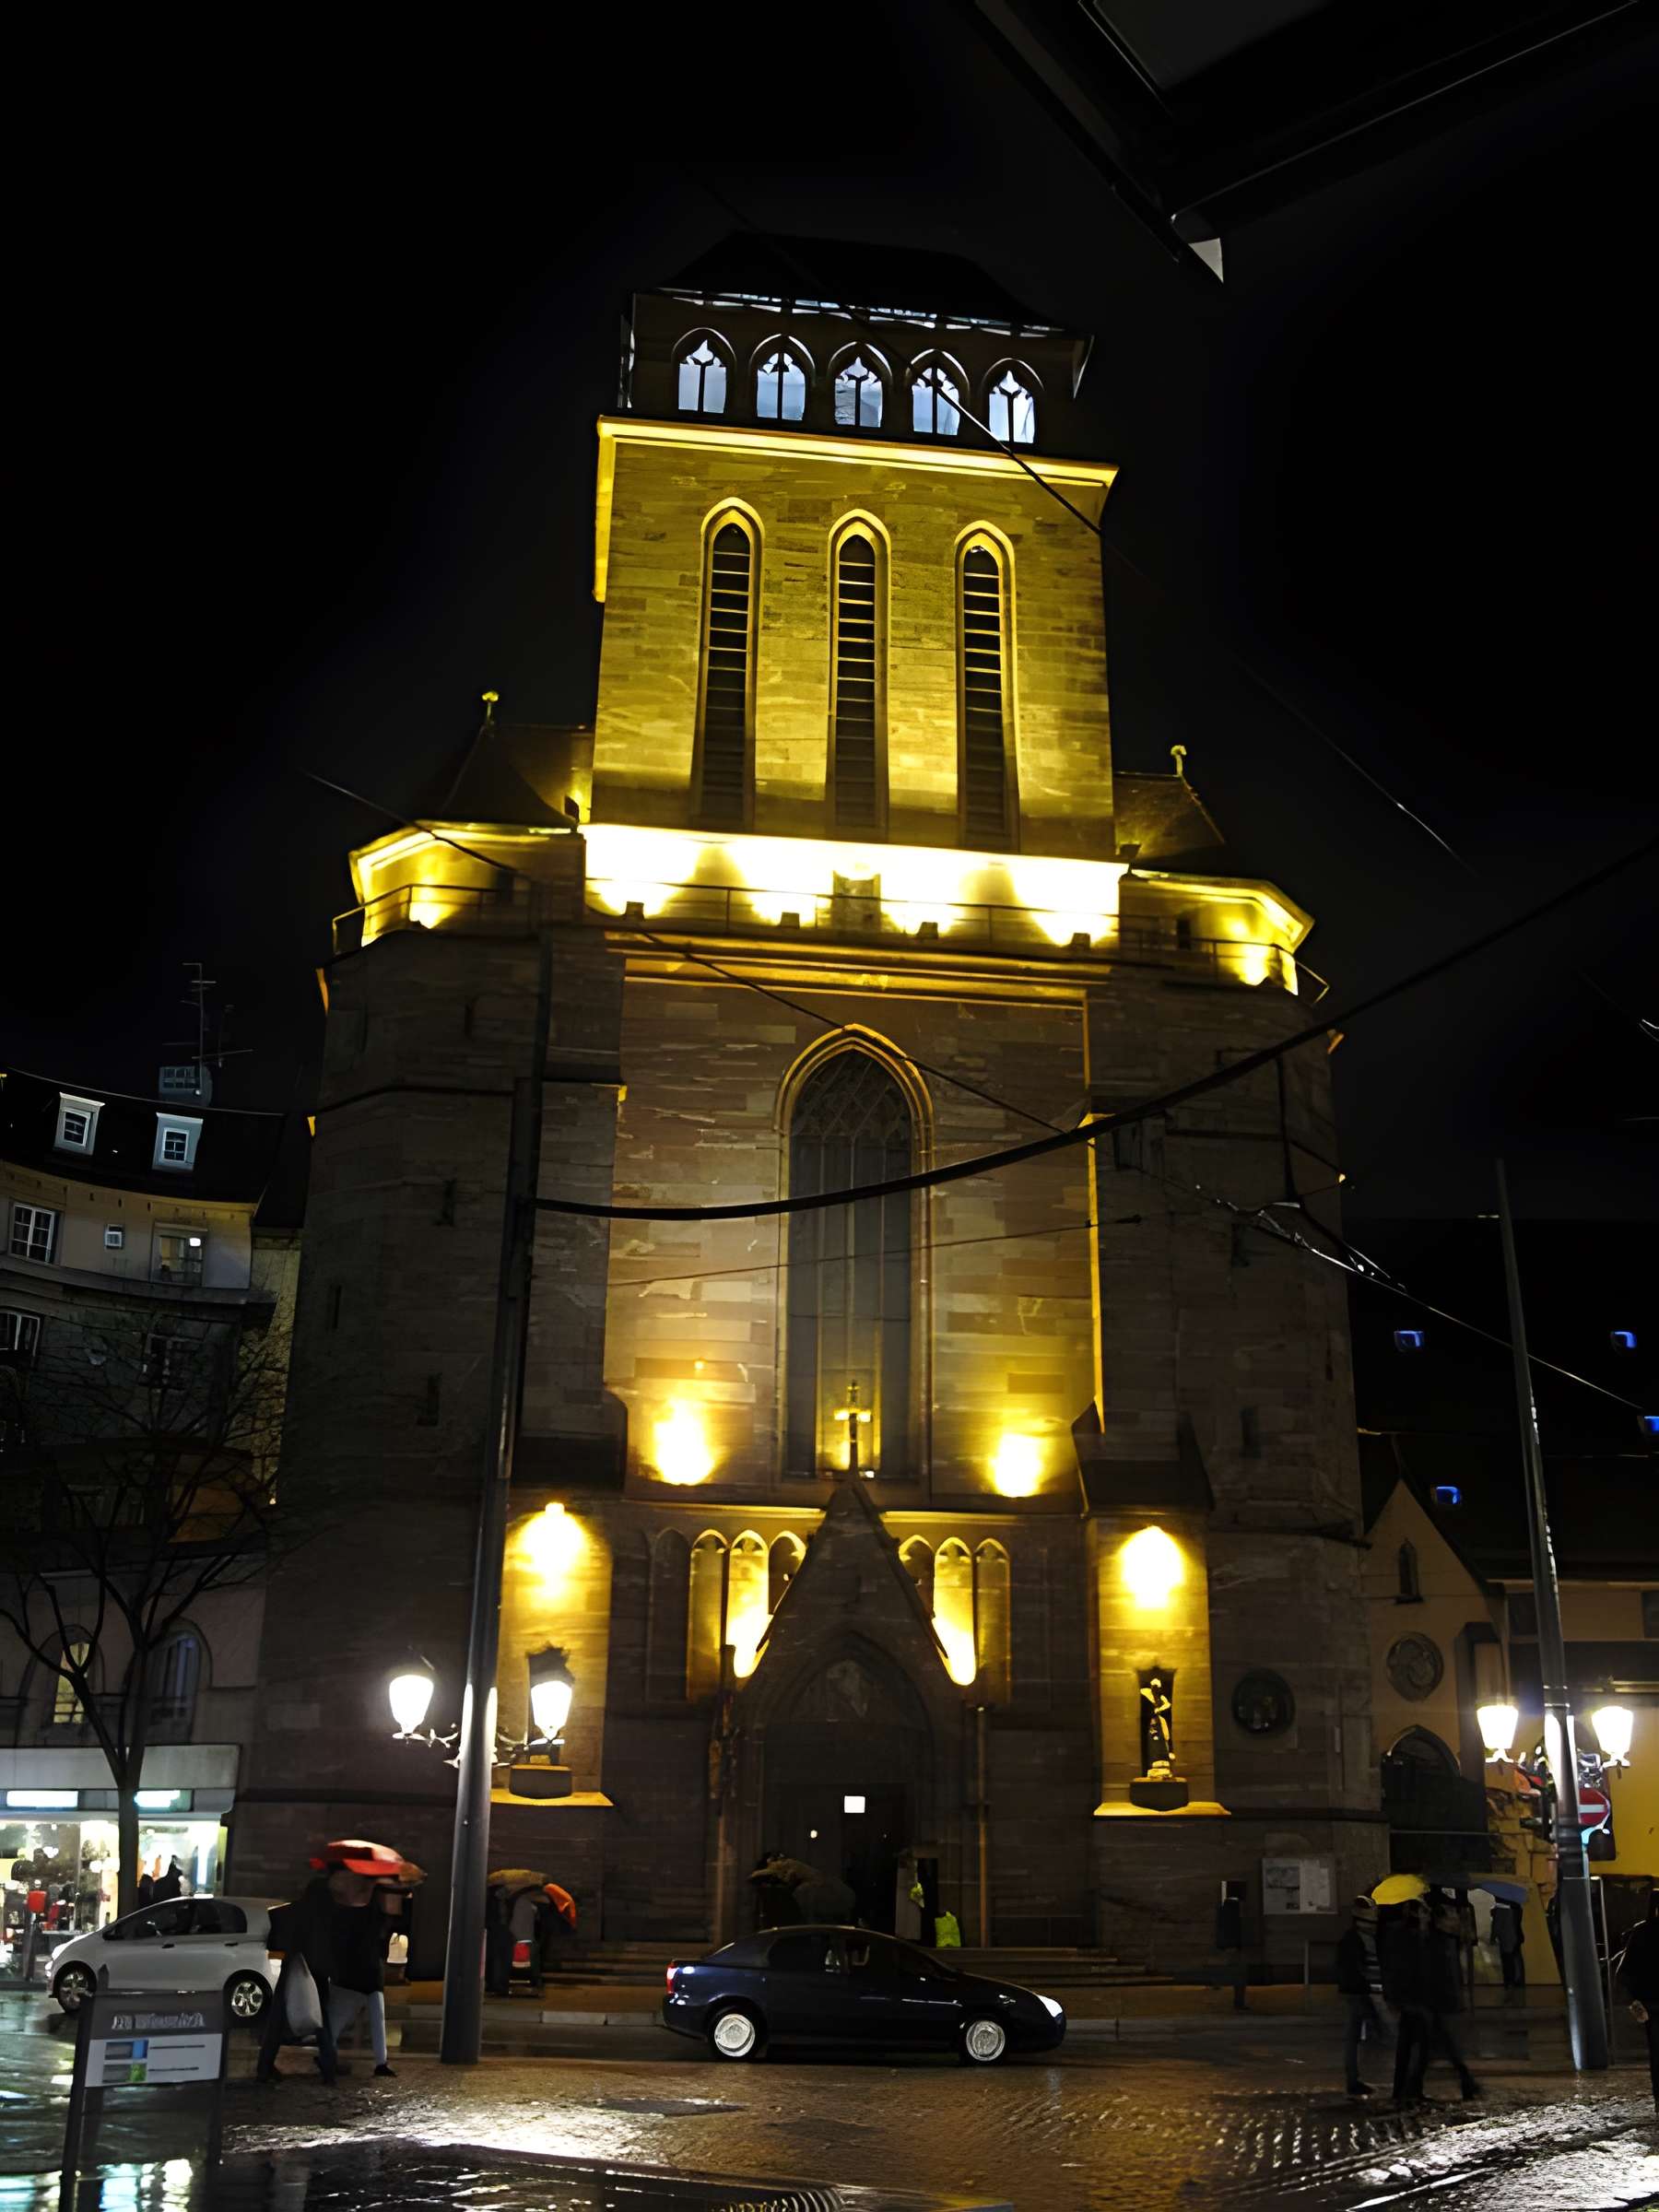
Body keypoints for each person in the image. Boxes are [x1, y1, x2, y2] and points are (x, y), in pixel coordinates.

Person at [256, 1858, 373, 2085]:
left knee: (276, 2021)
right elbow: (335, 1946)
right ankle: (328, 2070)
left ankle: (265, 2067)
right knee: (322, 2023)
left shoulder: (289, 1912)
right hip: (317, 1973)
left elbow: (273, 1939)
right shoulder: (329, 1917)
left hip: (289, 1970)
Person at [328, 1885, 397, 2078]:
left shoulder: (352, 1914)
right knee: (377, 2020)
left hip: (354, 1975)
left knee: (337, 2019)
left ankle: (327, 2052)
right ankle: (381, 2062)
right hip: (370, 1975)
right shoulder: (379, 1919)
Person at [1614, 1886, 1659, 2113]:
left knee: (1657, 2052)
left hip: (1651, 2003)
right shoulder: (1641, 1932)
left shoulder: (1641, 1933)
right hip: (1653, 2003)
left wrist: (1635, 1998)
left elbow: (1623, 1973)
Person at [1335, 1898, 1383, 2097]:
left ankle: (1356, 2078)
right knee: (1356, 2037)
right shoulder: (1353, 1940)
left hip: (1360, 1991)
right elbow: (1356, 1968)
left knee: (1358, 2036)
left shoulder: (1361, 1939)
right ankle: (1353, 2079)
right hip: (1356, 1992)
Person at [484, 1881, 513, 1998]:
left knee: (503, 1960)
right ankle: (497, 1985)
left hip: (503, 1932)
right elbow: (489, 1920)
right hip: (496, 1933)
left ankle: (501, 1984)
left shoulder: (506, 1902)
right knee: (497, 1960)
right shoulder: (492, 1903)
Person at [1492, 1899, 1524, 1999]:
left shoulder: (1501, 1911)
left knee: (1507, 1961)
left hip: (1507, 1939)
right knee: (1516, 1958)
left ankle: (1509, 1982)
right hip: (1516, 1937)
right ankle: (1517, 1980)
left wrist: (1493, 1937)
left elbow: (1497, 1925)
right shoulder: (1517, 1909)